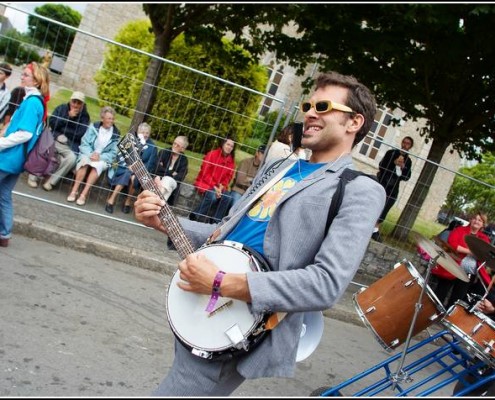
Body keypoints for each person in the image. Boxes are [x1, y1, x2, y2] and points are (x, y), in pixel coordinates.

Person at [133, 70, 386, 396]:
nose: (309, 112)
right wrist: (165, 222)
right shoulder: (279, 168)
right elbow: (222, 233)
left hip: (242, 317)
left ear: (354, 123)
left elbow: (326, 284)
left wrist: (222, 282)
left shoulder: (359, 189)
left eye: (323, 106)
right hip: (205, 301)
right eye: (308, 104)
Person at [0, 62, 50, 247]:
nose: (21, 77)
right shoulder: (35, 101)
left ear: (36, 81)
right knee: (4, 195)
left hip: (8, 157)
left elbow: (25, 133)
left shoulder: (31, 103)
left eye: (26, 75)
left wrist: (1, 143)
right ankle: (4, 234)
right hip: (17, 159)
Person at [433, 211, 491, 309]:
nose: (476, 221)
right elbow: (452, 244)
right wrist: (471, 251)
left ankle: (447, 317)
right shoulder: (459, 230)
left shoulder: (484, 238)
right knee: (440, 293)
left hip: (469, 272)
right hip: (453, 267)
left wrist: (467, 251)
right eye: (475, 219)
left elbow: (484, 254)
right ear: (470, 220)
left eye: (480, 220)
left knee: (457, 299)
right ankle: (433, 312)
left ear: (483, 224)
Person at [67, 106, 120, 206]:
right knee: (84, 162)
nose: (111, 121)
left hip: (103, 158)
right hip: (89, 153)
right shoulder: (93, 127)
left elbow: (113, 153)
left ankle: (84, 194)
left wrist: (100, 157)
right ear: (102, 119)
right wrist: (91, 154)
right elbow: (84, 143)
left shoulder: (116, 134)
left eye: (113, 119)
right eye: (109, 118)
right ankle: (74, 190)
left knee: (98, 166)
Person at [40, 90, 91, 191]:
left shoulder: (85, 116)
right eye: (74, 101)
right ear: (70, 100)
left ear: (83, 104)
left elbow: (80, 134)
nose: (75, 105)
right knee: (43, 148)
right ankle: (33, 176)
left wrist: (63, 132)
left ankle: (51, 181)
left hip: (69, 144)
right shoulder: (62, 108)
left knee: (72, 159)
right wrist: (67, 117)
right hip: (54, 139)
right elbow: (52, 123)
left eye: (79, 103)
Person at [105, 122, 157, 214]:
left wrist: (138, 168)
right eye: (143, 132)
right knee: (126, 174)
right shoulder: (130, 140)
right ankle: (112, 199)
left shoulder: (152, 147)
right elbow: (121, 155)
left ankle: (128, 201)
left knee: (134, 178)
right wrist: (128, 165)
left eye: (147, 133)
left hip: (140, 170)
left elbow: (150, 164)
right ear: (138, 132)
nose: (145, 135)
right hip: (126, 167)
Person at [371, 135, 414, 242]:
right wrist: (393, 163)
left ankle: (375, 229)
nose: (405, 145)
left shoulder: (408, 161)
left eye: (408, 143)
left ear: (410, 146)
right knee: (374, 203)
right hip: (382, 182)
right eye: (404, 142)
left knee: (386, 207)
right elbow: (381, 166)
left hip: (393, 186)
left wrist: (403, 168)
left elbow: (406, 177)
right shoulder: (391, 153)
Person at [188, 136, 236, 223]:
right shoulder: (212, 154)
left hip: (219, 187)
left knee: (228, 198)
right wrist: (215, 187)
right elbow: (205, 173)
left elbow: (228, 177)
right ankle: (195, 215)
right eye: (227, 144)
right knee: (213, 197)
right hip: (205, 182)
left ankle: (215, 221)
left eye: (231, 146)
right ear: (222, 144)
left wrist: (221, 187)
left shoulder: (231, 161)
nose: (229, 147)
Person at [214, 144, 266, 219]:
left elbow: (261, 183)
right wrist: (253, 181)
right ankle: (226, 223)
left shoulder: (264, 167)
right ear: (257, 153)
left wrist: (248, 179)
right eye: (262, 153)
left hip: (251, 194)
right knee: (236, 205)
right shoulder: (245, 162)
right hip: (238, 191)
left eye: (265, 154)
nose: (263, 156)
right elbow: (240, 180)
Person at [154, 135, 189, 205]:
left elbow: (180, 177)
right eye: (174, 143)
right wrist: (172, 173)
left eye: (178, 145)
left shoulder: (184, 160)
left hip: (172, 183)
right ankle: (159, 205)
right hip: (161, 181)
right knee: (166, 187)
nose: (174, 146)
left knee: (167, 180)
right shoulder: (164, 152)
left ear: (182, 149)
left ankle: (155, 202)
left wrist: (163, 172)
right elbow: (156, 168)